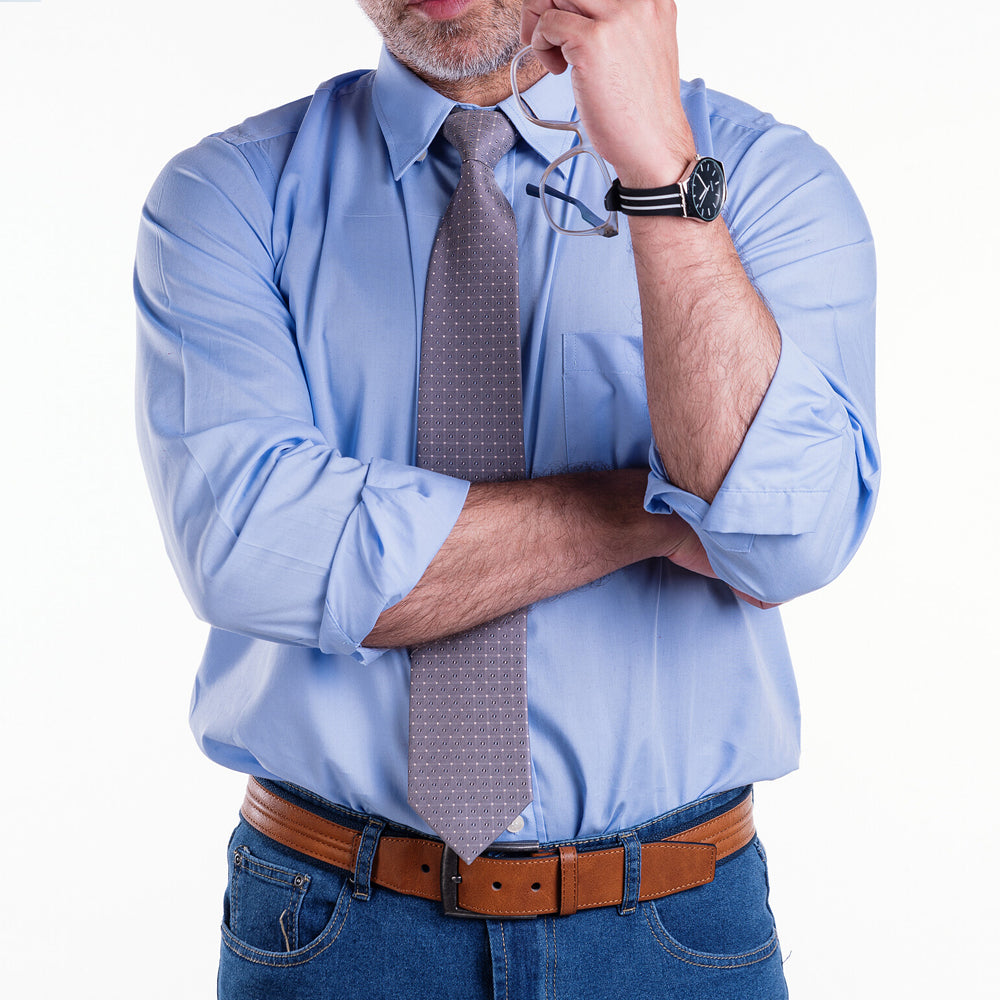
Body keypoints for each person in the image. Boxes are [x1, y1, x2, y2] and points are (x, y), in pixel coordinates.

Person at [134, 1, 878, 997]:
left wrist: (662, 174)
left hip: (673, 929)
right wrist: (649, 507)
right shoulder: (228, 197)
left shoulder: (760, 179)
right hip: (333, 927)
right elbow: (259, 551)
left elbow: (787, 533)